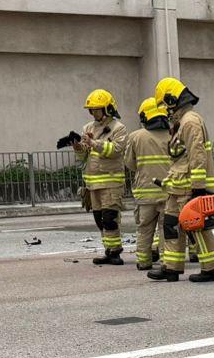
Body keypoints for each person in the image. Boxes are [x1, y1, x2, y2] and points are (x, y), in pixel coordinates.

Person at [150, 76, 214, 282]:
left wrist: (198, 188)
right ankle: (171, 267)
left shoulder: (190, 122)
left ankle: (212, 268)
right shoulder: (181, 122)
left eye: (165, 105)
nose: (165, 110)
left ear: (173, 100)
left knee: (197, 227)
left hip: (189, 187)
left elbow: (197, 154)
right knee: (171, 225)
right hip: (177, 188)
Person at [72, 90, 130, 266]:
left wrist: (94, 143)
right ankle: (108, 250)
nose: (94, 113)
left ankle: (115, 252)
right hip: (93, 183)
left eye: (97, 109)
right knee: (99, 219)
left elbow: (115, 151)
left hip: (111, 182)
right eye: (91, 110)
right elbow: (84, 157)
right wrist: (78, 147)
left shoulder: (118, 128)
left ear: (108, 108)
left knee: (109, 218)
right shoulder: (88, 128)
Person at [127, 96, 173, 273]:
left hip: (145, 194)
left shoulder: (135, 137)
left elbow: (129, 164)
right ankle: (166, 262)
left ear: (145, 117)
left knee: (144, 229)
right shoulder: (172, 134)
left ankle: (144, 262)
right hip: (168, 192)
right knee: (165, 230)